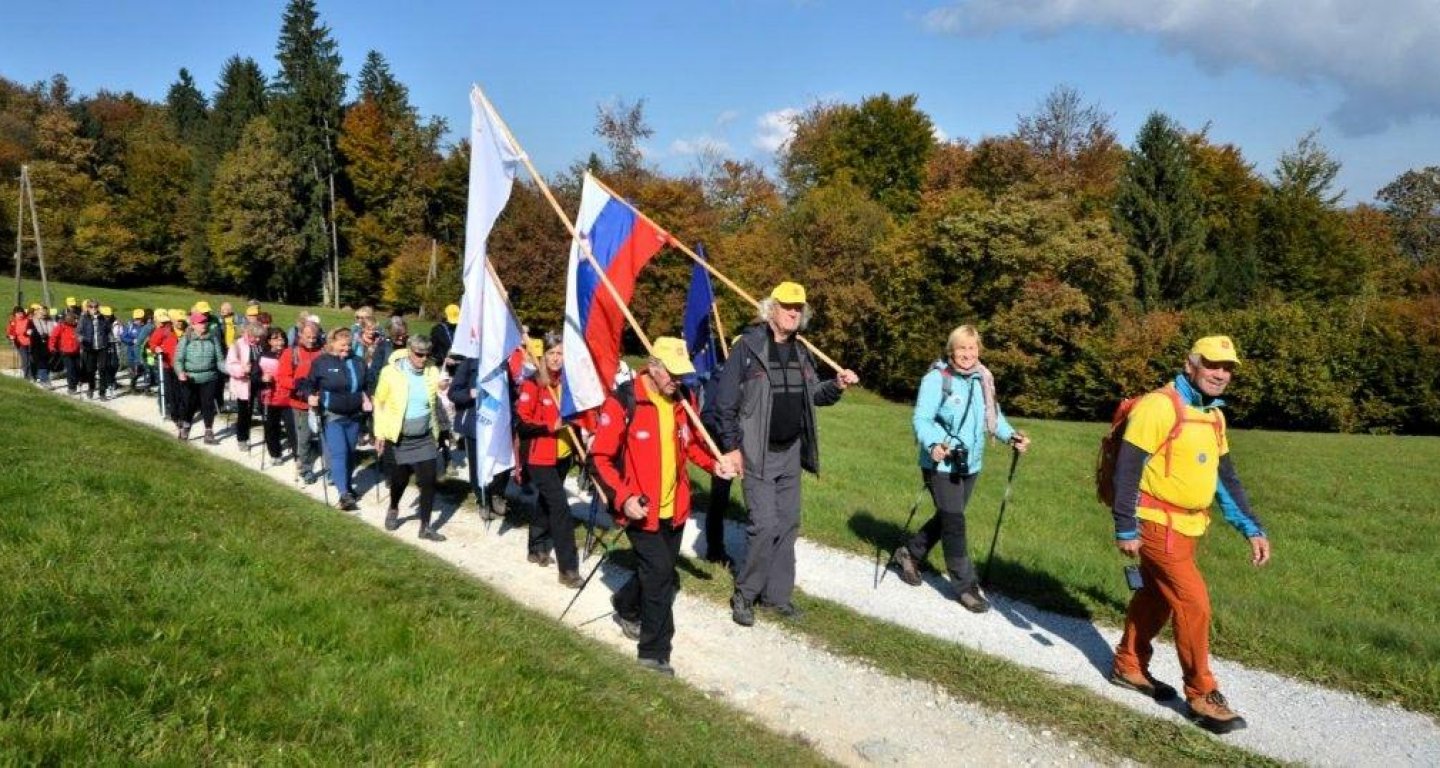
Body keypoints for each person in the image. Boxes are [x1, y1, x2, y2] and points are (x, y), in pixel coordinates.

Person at [1108, 335, 1270, 735]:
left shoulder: (1214, 416)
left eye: (1228, 368)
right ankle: (1201, 693)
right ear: (1190, 365)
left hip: (1189, 526)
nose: (1221, 374)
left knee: (1156, 596)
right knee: (1193, 602)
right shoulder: (1160, 406)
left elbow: (1225, 478)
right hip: (1157, 524)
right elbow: (1128, 467)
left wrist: (1250, 527)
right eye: (1214, 365)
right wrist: (1125, 525)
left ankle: (1129, 664)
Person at [713, 282, 858, 626]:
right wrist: (732, 448)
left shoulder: (802, 351)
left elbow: (814, 397)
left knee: (788, 523)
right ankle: (745, 595)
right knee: (763, 525)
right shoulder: (747, 348)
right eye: (788, 306)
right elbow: (725, 403)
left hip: (791, 451)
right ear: (771, 309)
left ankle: (776, 597)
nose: (795, 312)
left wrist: (836, 386)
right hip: (756, 451)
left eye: (799, 308)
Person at [590, 337, 732, 676]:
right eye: (672, 372)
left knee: (659, 571)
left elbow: (691, 448)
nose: (678, 380)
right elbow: (599, 459)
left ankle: (625, 604)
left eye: (682, 373)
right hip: (641, 509)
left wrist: (714, 465)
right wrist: (623, 497)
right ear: (653, 367)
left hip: (676, 507)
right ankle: (653, 653)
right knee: (660, 581)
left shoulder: (684, 400)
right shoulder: (625, 400)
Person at [889, 325, 1031, 612]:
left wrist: (1011, 436)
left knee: (948, 517)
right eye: (961, 348)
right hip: (941, 462)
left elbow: (994, 416)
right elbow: (922, 419)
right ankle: (965, 586)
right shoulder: (936, 379)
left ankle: (909, 553)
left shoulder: (982, 379)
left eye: (972, 348)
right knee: (955, 522)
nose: (967, 354)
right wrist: (934, 444)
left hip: (971, 462)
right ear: (951, 350)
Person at [516, 331, 583, 586]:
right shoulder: (534, 383)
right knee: (561, 508)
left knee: (546, 502)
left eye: (561, 354)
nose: (556, 359)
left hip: (562, 455)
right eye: (552, 353)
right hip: (540, 457)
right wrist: (548, 427)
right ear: (543, 355)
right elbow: (522, 424)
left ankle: (536, 546)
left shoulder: (567, 383)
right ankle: (568, 569)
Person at [374, 335, 447, 541]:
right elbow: (379, 402)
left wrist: (443, 387)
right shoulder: (390, 372)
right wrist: (379, 433)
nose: (423, 359)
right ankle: (394, 507)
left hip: (424, 436)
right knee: (399, 480)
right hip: (400, 437)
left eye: (426, 355)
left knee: (429, 481)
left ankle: (425, 527)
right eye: (419, 354)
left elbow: (436, 399)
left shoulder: (432, 371)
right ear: (409, 351)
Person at [306, 328, 369, 511]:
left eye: (349, 345)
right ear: (332, 343)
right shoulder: (321, 362)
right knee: (339, 453)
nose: (347, 348)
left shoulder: (358, 362)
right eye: (343, 345)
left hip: (355, 415)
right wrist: (310, 395)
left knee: (350, 454)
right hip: (332, 415)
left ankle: (347, 487)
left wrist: (368, 398)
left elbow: (366, 385)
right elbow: (309, 384)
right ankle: (343, 495)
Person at [279, 321, 325, 483]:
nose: (312, 340)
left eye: (314, 337)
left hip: (321, 400)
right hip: (300, 403)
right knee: (304, 437)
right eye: (308, 337)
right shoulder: (291, 353)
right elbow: (282, 378)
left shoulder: (323, 351)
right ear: (300, 335)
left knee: (323, 436)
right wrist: (297, 385)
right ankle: (305, 468)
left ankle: (332, 469)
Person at [174, 311, 223, 443]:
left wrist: (231, 371)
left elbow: (220, 360)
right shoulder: (186, 339)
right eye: (201, 322)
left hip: (209, 377)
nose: (204, 324)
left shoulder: (213, 339)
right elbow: (178, 360)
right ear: (193, 324)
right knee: (188, 405)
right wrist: (180, 372)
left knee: (208, 405)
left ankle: (208, 432)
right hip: (190, 378)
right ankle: (185, 427)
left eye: (205, 322)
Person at [225, 322, 266, 451]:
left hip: (260, 382)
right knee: (245, 413)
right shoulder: (237, 345)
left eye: (260, 337)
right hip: (244, 384)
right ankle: (242, 438)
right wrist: (243, 369)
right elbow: (230, 366)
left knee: (263, 410)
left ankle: (270, 437)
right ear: (248, 333)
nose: (258, 339)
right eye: (255, 337)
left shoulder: (262, 345)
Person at [258, 327, 293, 465]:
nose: (280, 341)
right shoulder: (263, 356)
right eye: (275, 338)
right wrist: (262, 378)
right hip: (269, 396)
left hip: (288, 397)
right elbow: (255, 376)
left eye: (282, 338)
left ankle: (297, 454)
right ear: (269, 341)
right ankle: (275, 453)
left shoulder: (290, 354)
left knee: (292, 426)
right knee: (271, 426)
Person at [146, 310, 181, 421]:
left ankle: (176, 408)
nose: (165, 324)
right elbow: (152, 343)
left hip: (175, 364)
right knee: (168, 388)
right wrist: (156, 349)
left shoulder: (174, 331)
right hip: (165, 364)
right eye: (163, 322)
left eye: (166, 322)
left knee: (176, 388)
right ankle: (168, 409)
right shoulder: (160, 331)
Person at [49, 311, 81, 395]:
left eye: (77, 319)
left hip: (76, 351)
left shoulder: (77, 327)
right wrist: (52, 347)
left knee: (77, 368)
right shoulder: (61, 326)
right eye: (75, 319)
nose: (76, 321)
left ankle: (76, 382)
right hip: (65, 352)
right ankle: (71, 387)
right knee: (70, 369)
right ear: (69, 319)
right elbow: (53, 337)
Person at [26, 305, 53, 386]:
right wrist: (34, 332)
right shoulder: (31, 321)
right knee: (41, 363)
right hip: (36, 345)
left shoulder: (49, 320)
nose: (42, 313)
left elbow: (54, 330)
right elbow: (27, 331)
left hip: (48, 345)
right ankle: (44, 380)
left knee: (47, 363)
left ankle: (43, 377)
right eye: (41, 311)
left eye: (44, 311)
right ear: (36, 312)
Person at [8, 306, 33, 381]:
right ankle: (27, 376)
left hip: (29, 342)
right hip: (19, 343)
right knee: (25, 359)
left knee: (31, 359)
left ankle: (31, 374)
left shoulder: (28, 320)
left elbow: (31, 328)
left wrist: (30, 332)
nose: (20, 314)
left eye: (21, 313)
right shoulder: (13, 322)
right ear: (15, 314)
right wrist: (11, 336)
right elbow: (10, 331)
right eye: (18, 313)